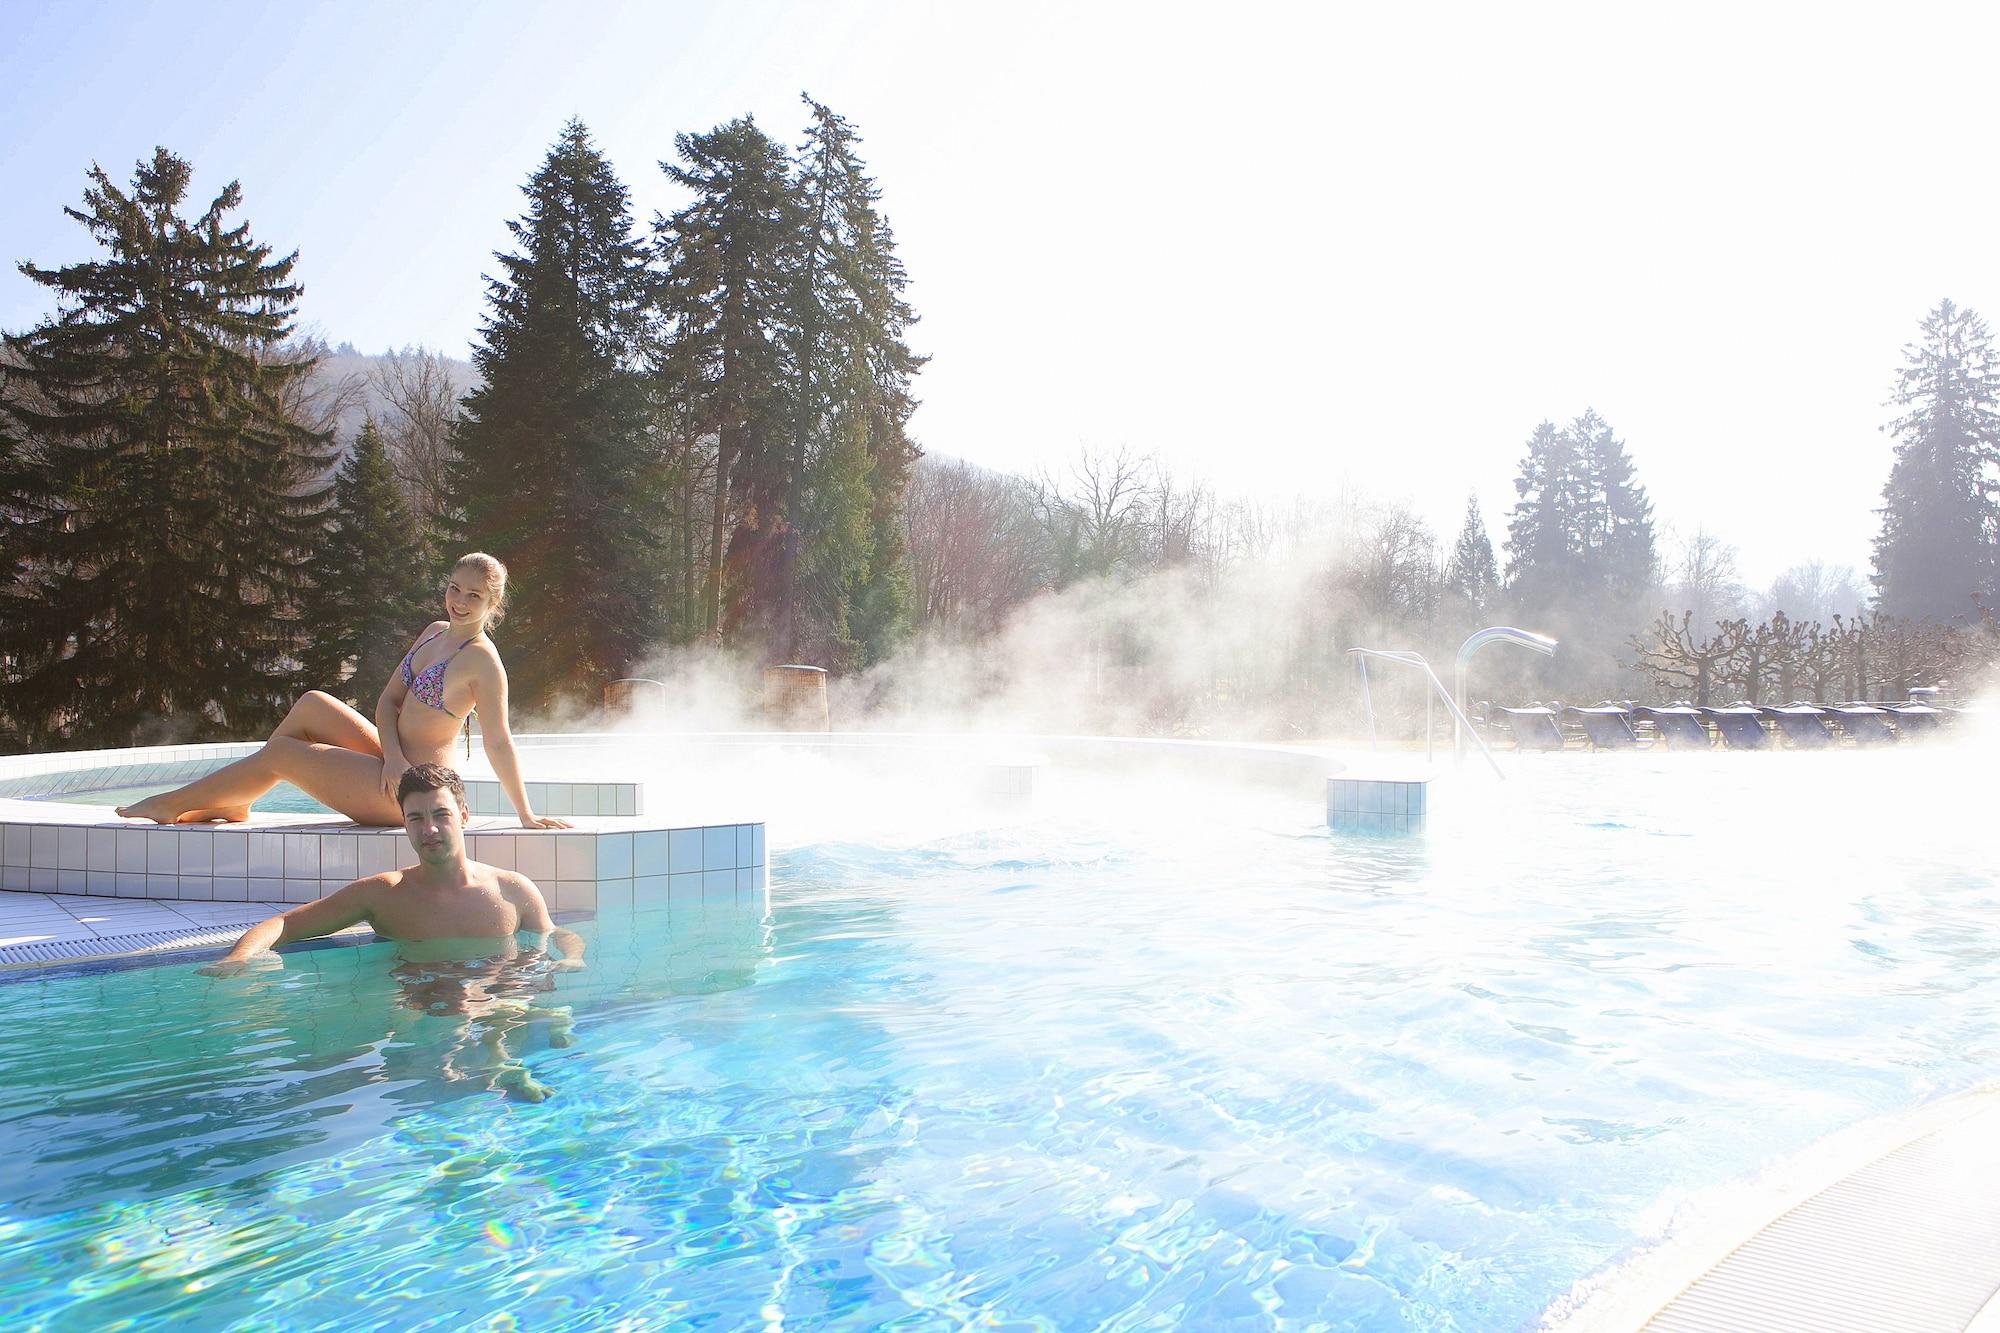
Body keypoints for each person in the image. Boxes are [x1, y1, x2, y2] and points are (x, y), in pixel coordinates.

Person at [118, 552, 570, 829]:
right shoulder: (434, 631)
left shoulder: (483, 662)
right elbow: (388, 702)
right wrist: (392, 755)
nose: (459, 601)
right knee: (312, 703)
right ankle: (237, 802)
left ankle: (171, 804)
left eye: (473, 596)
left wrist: (525, 816)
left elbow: (499, 742)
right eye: (454, 588)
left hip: (417, 790)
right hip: (392, 763)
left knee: (281, 753)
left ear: (493, 604)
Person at [202, 762, 584, 974]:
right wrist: (239, 958)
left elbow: (552, 936)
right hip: (419, 1009)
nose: (429, 829)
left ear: (463, 816)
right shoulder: (385, 895)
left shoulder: (512, 889)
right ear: (404, 822)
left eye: (441, 815)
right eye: (416, 817)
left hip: (497, 1006)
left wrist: (572, 957)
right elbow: (284, 925)